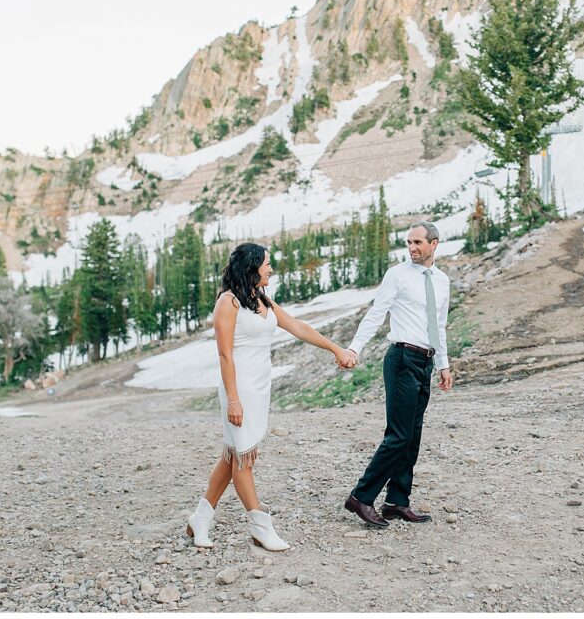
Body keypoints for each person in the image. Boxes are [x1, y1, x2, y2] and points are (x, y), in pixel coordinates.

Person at [186, 243, 355, 551]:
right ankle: (261, 525)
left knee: (233, 456)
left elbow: (299, 328)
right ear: (251, 267)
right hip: (238, 388)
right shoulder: (228, 302)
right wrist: (234, 400)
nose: (271, 269)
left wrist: (336, 349)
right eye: (267, 264)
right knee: (243, 459)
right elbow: (225, 355)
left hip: (260, 387)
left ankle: (200, 517)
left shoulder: (260, 299)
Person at [343, 221, 453, 527]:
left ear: (434, 244)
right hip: (402, 358)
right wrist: (355, 348)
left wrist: (443, 364)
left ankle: (396, 501)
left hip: (426, 362)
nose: (412, 248)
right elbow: (376, 313)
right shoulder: (398, 275)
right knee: (398, 435)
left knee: (412, 436)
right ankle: (361, 497)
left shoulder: (442, 280)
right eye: (408, 242)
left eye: (418, 242)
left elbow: (438, 325)